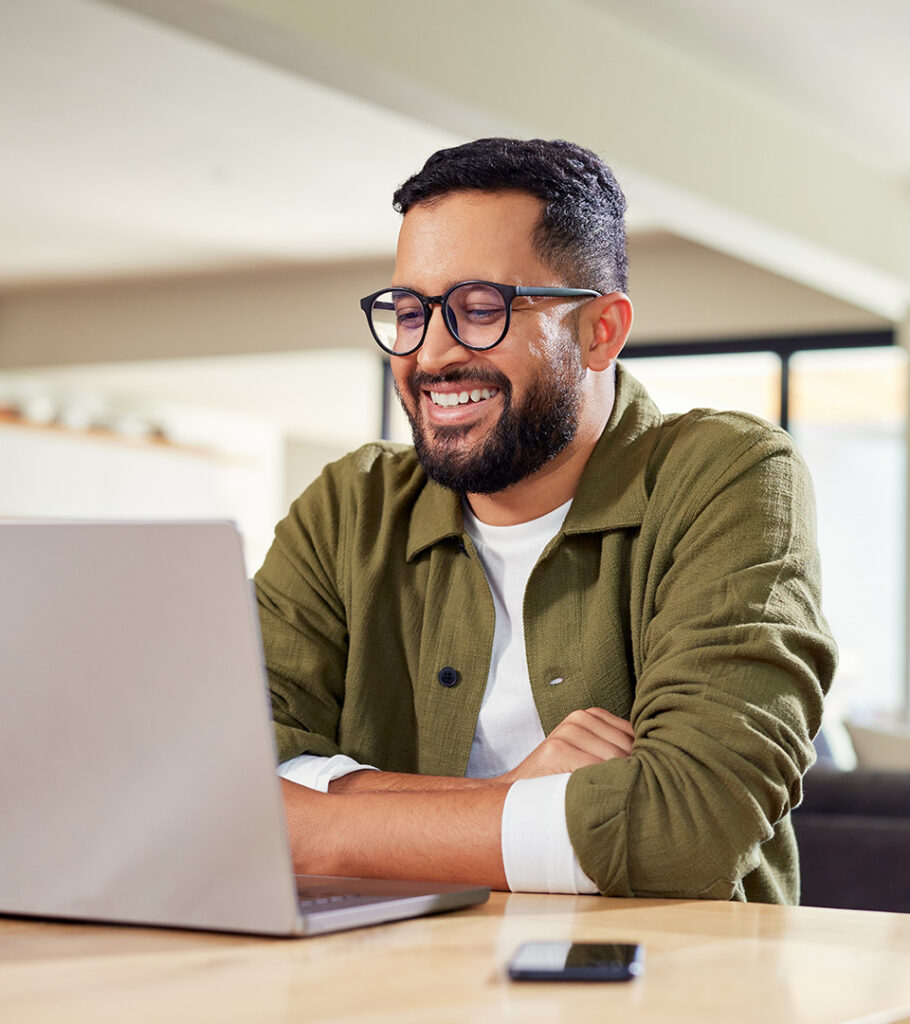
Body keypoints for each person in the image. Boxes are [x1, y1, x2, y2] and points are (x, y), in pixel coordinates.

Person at [255, 138, 836, 902]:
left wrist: (312, 826)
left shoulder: (728, 476)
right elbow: (220, 774)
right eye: (408, 311)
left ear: (600, 330)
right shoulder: (347, 507)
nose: (429, 354)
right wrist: (520, 801)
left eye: (480, 309)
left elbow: (690, 826)